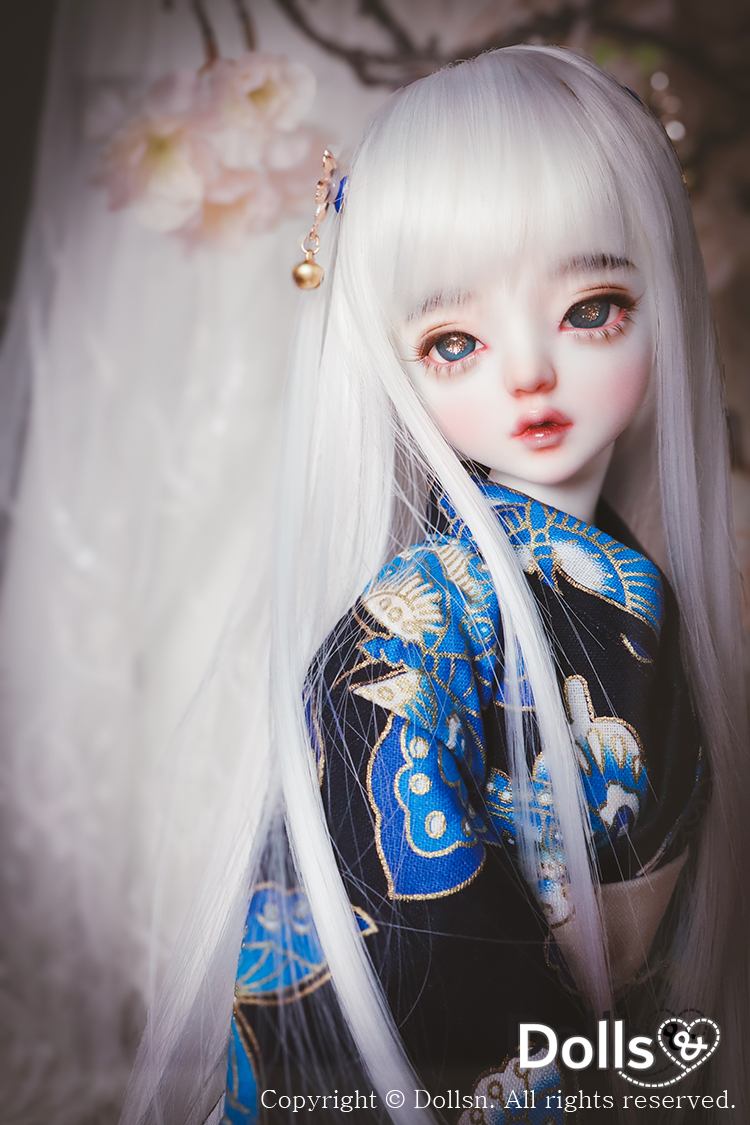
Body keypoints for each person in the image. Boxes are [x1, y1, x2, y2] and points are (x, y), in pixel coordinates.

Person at [122, 45, 749, 1125]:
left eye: (592, 307)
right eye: (455, 341)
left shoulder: (656, 592)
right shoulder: (410, 633)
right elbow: (424, 968)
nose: (530, 373)